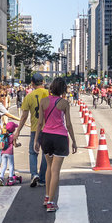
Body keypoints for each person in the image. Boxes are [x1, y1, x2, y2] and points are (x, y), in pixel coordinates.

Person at [35, 78, 78, 212]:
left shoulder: (43, 101)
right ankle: (51, 203)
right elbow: (68, 124)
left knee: (49, 167)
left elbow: (40, 123)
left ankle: (47, 197)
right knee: (55, 171)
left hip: (46, 136)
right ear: (63, 89)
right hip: (60, 137)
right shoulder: (64, 103)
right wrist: (74, 141)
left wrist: (36, 140)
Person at [15, 72, 49, 188]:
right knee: (46, 153)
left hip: (35, 129)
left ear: (32, 83)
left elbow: (24, 116)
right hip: (48, 128)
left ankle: (34, 174)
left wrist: (18, 131)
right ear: (43, 82)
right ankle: (42, 178)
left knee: (33, 152)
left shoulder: (29, 96)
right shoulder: (48, 94)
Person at [0, 121, 20, 186]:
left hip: (3, 152)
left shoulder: (3, 135)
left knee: (4, 166)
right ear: (13, 129)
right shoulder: (13, 136)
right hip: (10, 153)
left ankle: (1, 177)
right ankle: (11, 178)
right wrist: (19, 144)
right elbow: (15, 145)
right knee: (11, 165)